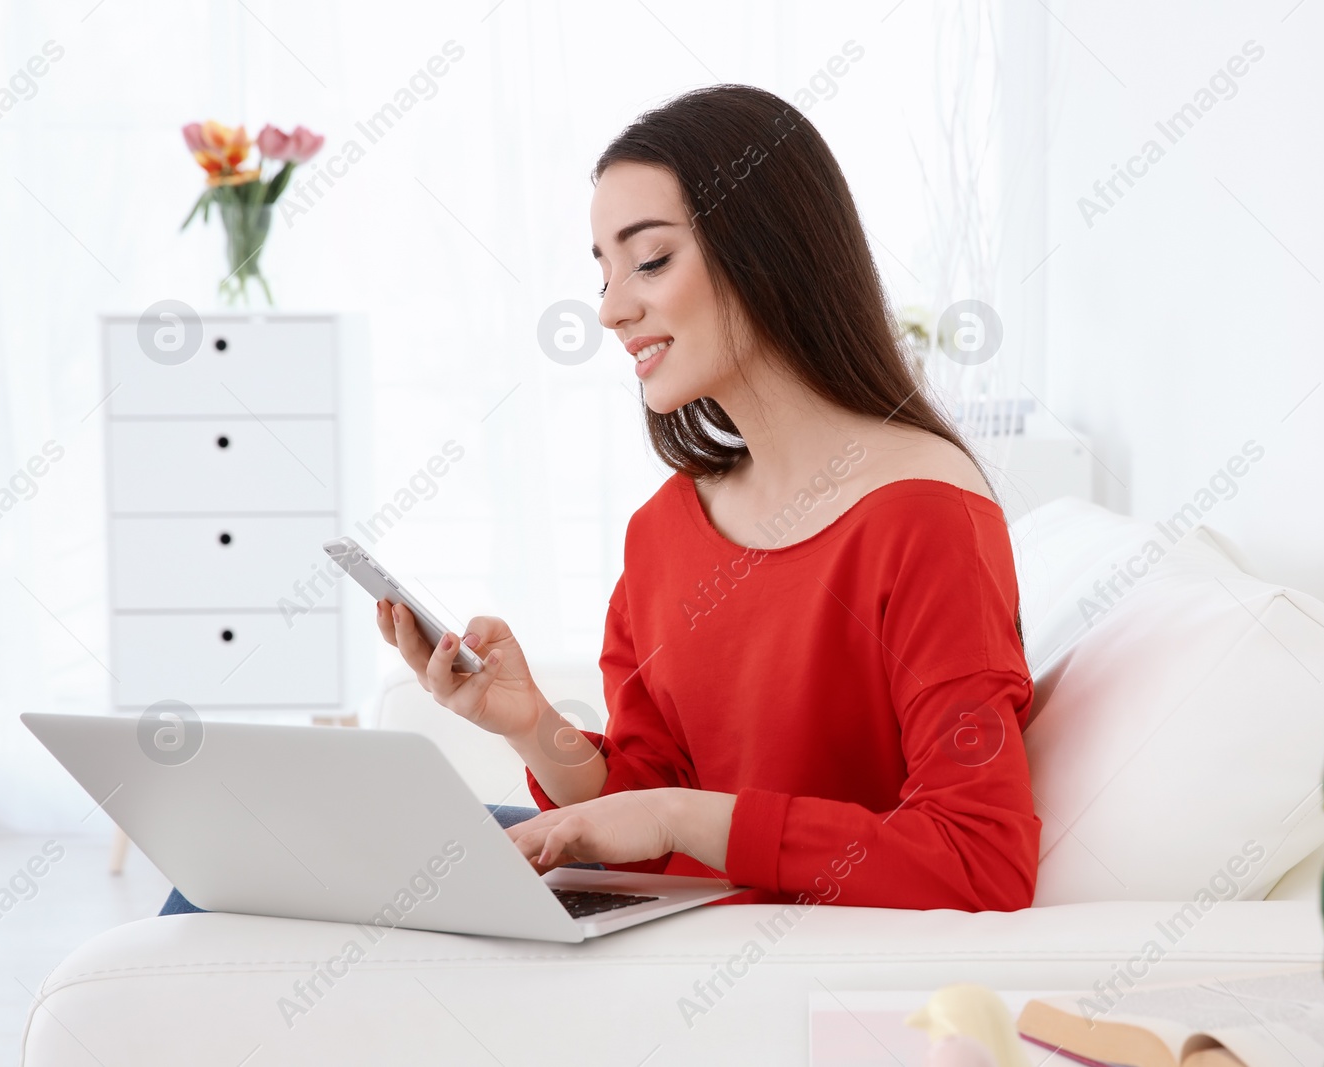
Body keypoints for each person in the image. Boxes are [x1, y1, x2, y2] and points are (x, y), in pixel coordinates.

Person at [163, 82, 1039, 917]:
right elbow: (635, 804)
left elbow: (978, 858)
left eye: (650, 259)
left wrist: (682, 817)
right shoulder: (667, 529)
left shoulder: (926, 513)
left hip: (748, 927)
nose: (613, 310)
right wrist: (530, 723)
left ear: (768, 250)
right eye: (604, 271)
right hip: (663, 900)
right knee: (229, 869)